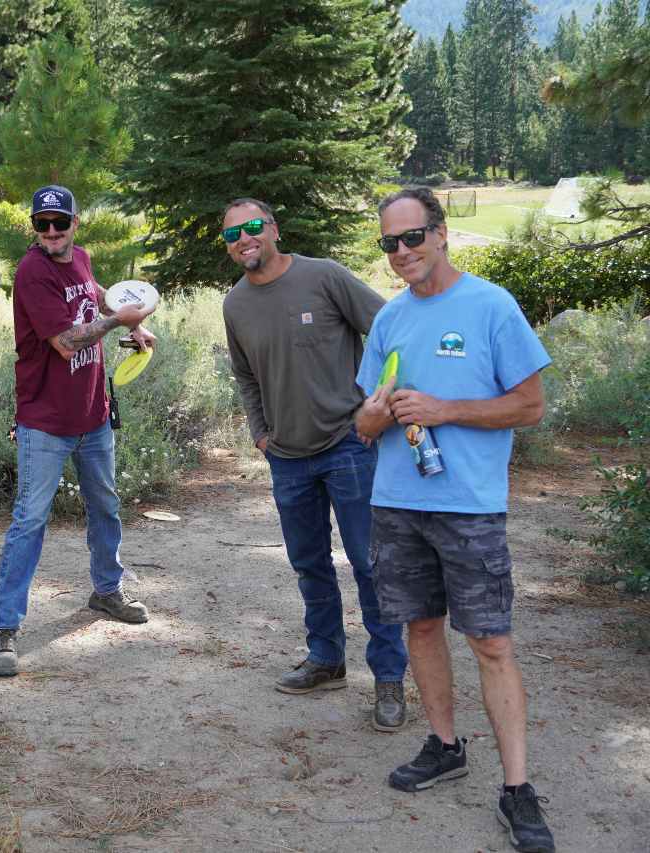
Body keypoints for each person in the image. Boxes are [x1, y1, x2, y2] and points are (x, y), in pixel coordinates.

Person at [355, 187, 554, 852]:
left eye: (413, 237)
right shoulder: (388, 319)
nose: (403, 252)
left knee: (492, 642)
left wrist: (444, 409)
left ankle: (518, 788)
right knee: (419, 625)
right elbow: (361, 425)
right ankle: (445, 745)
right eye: (390, 243)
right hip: (398, 504)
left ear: (442, 233)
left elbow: (529, 405)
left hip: (469, 506)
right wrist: (380, 415)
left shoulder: (492, 305)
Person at [221, 198, 410, 732]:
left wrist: (379, 403)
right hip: (287, 458)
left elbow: (392, 330)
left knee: (370, 565)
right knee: (309, 565)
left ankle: (389, 677)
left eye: (253, 227)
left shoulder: (323, 277)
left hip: (350, 446)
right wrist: (260, 433)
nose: (244, 239)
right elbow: (246, 378)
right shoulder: (235, 305)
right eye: (233, 234)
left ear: (274, 229)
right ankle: (327, 658)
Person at [0, 185, 156, 677]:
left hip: (93, 415)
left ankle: (106, 591)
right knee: (29, 520)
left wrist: (133, 327)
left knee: (105, 505)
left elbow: (94, 291)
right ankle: (4, 627)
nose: (53, 232)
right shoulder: (31, 273)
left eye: (61, 223)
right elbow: (63, 341)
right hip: (46, 422)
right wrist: (112, 320)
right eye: (44, 225)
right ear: (34, 229)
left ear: (75, 224)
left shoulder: (79, 256)